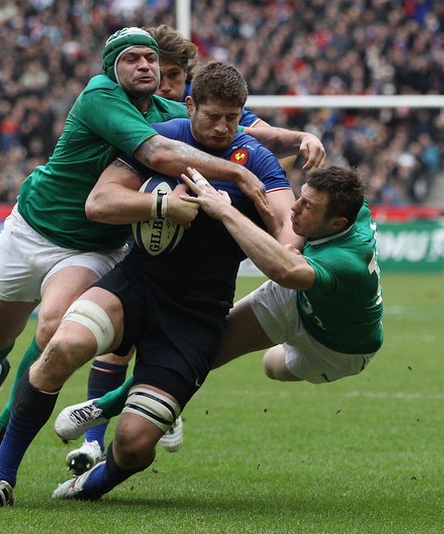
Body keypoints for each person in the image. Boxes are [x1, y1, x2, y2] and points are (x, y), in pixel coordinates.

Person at [0, 60, 297, 507]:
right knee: (61, 346)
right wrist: (160, 208)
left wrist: (227, 211)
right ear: (190, 105)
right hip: (136, 285)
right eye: (213, 116)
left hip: (196, 315)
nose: (223, 127)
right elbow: (99, 201)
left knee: (135, 445)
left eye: (233, 118)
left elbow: (286, 237)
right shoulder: (164, 138)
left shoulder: (257, 159)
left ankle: (89, 485)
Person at [64, 23, 325, 472]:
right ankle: (75, 440)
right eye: (155, 74)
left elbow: (259, 135)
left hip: (200, 297)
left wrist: (302, 139)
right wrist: (161, 205)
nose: (162, 84)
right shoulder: (141, 119)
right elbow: (103, 197)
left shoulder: (233, 131)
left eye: (173, 76)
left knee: (151, 371)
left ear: (186, 80)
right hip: (136, 261)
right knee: (75, 336)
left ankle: (145, 408)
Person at [54, 164, 384, 444]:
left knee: (272, 367)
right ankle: (105, 406)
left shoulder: (346, 261)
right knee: (200, 351)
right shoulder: (350, 205)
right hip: (296, 300)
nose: (295, 208)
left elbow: (284, 269)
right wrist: (298, 140)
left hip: (336, 348)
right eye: (301, 196)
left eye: (308, 207)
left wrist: (225, 209)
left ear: (338, 224)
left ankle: (151, 398)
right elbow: (291, 251)